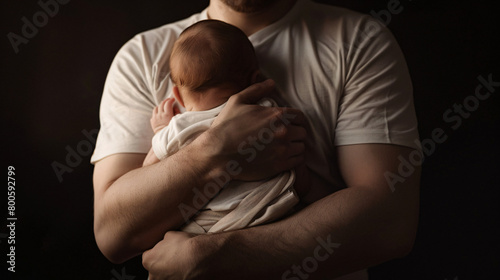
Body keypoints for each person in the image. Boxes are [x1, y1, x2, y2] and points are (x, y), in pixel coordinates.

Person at [91, 0, 421, 279]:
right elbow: (113, 235)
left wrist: (215, 257)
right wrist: (216, 150)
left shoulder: (358, 42)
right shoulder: (142, 57)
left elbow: (390, 222)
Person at [142, 19, 308, 234]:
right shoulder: (266, 110)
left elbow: (148, 169)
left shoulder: (181, 126)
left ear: (177, 97)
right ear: (255, 80)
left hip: (215, 220)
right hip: (274, 205)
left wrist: (161, 132)